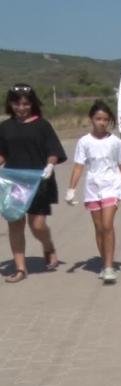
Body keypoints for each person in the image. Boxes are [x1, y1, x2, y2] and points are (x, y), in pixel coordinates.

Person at [0, 84, 67, 283]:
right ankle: (21, 268)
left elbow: (53, 151)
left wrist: (50, 165)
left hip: (39, 180)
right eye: (16, 104)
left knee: (37, 225)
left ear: (32, 104)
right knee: (15, 222)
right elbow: (2, 153)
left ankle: (48, 246)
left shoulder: (42, 125)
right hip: (15, 181)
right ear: (10, 104)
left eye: (25, 104)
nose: (21, 108)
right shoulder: (5, 127)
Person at [65, 100, 121, 284]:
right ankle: (105, 263)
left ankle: (110, 267)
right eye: (98, 118)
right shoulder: (84, 142)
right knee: (98, 229)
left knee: (107, 225)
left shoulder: (116, 142)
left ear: (109, 121)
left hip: (112, 186)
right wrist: (71, 190)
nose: (102, 122)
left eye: (105, 119)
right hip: (92, 188)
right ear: (91, 119)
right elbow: (79, 167)